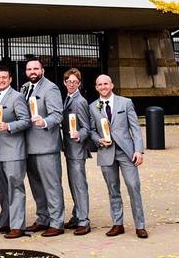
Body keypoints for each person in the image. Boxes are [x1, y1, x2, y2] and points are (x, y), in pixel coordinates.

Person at [88, 74, 148, 239]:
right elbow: (91, 130)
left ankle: (140, 225)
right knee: (113, 189)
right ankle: (117, 223)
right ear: (96, 87)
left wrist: (138, 150)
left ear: (112, 85)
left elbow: (135, 128)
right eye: (99, 84)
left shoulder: (125, 102)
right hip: (106, 153)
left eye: (105, 83)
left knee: (133, 186)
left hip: (127, 152)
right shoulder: (93, 107)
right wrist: (98, 140)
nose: (103, 87)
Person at [20, 57, 66, 237]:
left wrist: (44, 121)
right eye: (29, 69)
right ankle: (43, 218)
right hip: (28, 146)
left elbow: (58, 115)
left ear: (42, 70)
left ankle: (57, 222)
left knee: (52, 185)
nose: (32, 72)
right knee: (36, 186)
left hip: (46, 146)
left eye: (36, 69)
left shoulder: (51, 88)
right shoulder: (24, 88)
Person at [0, 65, 30, 239]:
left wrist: (8, 126)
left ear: (10, 79)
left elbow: (26, 120)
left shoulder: (17, 97)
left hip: (13, 150)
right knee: (3, 188)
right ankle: (5, 221)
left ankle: (17, 226)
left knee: (15, 188)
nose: (1, 80)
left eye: (4, 77)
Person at [61, 68, 92, 235]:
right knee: (73, 184)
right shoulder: (67, 98)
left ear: (79, 84)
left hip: (77, 150)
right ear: (64, 83)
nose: (71, 84)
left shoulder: (80, 101)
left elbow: (86, 128)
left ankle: (84, 220)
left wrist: (78, 134)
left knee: (79, 185)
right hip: (69, 149)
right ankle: (76, 215)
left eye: (74, 82)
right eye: (68, 81)